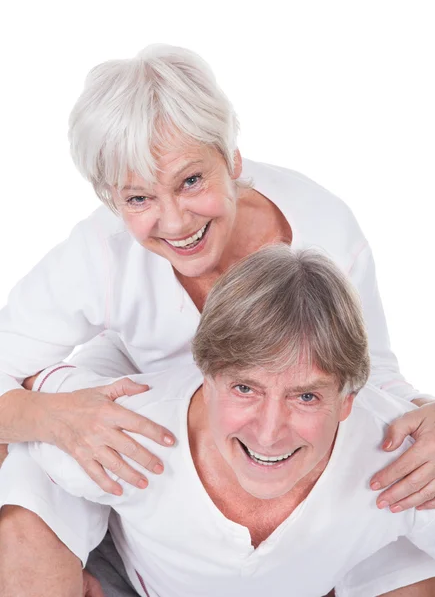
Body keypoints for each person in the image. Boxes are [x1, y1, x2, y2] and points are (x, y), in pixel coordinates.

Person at [0, 43, 435, 594]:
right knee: (24, 493)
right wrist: (51, 416)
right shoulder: (100, 254)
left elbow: (367, 375)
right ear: (111, 200)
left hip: (279, 473)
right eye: (138, 198)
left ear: (232, 159)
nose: (175, 221)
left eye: (191, 181)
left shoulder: (324, 233)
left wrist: (425, 414)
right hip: (149, 420)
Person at [2, 246, 435, 597]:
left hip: (324, 579)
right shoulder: (130, 432)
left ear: (348, 400)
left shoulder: (402, 460)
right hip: (136, 584)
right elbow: (24, 392)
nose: (268, 434)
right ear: (206, 380)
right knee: (22, 524)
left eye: (306, 396)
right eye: (245, 389)